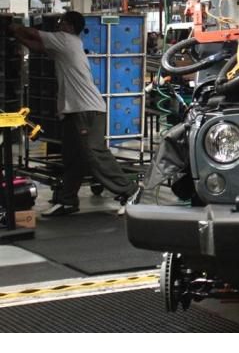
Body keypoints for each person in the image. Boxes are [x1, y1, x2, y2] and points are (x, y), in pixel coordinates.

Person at [10, 11, 142, 216]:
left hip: (86, 109)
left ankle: (130, 191)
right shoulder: (63, 46)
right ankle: (67, 201)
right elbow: (36, 46)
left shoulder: (67, 40)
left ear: (70, 26)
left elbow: (34, 34)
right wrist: (15, 36)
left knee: (93, 152)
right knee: (73, 158)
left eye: (61, 22)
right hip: (73, 111)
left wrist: (13, 27)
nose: (58, 25)